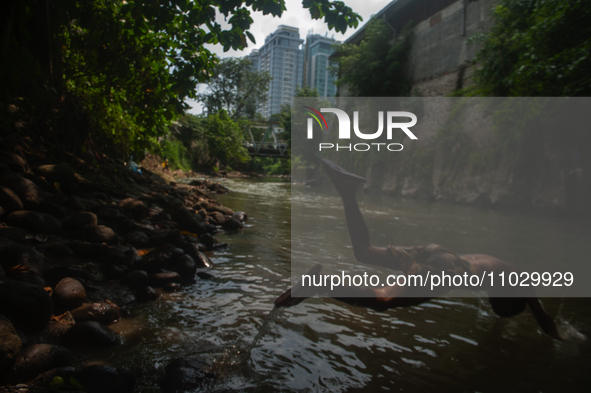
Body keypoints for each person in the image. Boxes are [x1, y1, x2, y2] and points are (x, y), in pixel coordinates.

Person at [275, 159, 561, 340]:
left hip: (437, 252)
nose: (495, 307)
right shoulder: (511, 281)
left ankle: (347, 191)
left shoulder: (498, 267)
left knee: (363, 251)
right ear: (510, 300)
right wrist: (544, 320)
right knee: (383, 300)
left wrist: (542, 314)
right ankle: (320, 285)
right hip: (449, 269)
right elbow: (527, 289)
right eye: (503, 308)